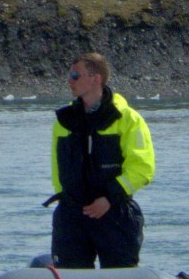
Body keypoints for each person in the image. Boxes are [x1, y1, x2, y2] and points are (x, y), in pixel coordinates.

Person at [47, 52, 155, 268]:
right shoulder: (65, 120)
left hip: (114, 214)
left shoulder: (127, 119)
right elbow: (58, 169)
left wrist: (108, 199)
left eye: (76, 75)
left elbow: (142, 168)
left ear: (95, 78)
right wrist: (68, 203)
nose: (70, 81)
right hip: (73, 217)